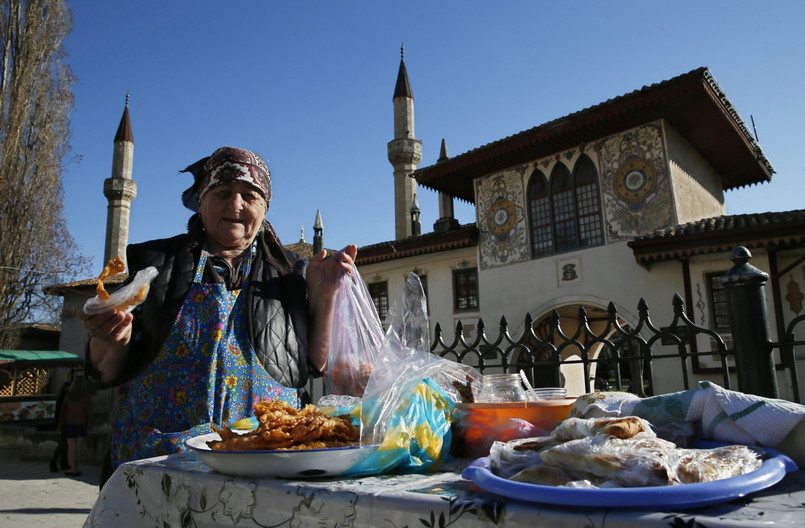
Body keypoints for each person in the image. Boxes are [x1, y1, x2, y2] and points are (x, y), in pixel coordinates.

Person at [78, 146, 356, 484]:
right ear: (201, 201)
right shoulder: (155, 264)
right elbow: (105, 373)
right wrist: (108, 338)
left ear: (264, 208)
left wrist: (324, 296)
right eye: (223, 192)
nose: (236, 204)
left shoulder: (289, 272)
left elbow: (311, 364)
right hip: (160, 462)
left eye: (250, 196)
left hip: (263, 458)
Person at [58, 377, 93, 477]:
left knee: (71, 447)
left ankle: (72, 468)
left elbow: (63, 412)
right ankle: (75, 467)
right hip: (81, 424)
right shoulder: (85, 397)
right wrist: (90, 424)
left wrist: (60, 425)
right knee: (78, 447)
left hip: (70, 424)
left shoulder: (68, 397)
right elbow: (89, 412)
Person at [49, 380, 70, 472]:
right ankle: (54, 461)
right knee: (62, 444)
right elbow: (59, 413)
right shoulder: (62, 398)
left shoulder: (67, 397)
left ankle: (63, 463)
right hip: (64, 424)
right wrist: (59, 424)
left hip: (67, 423)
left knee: (66, 445)